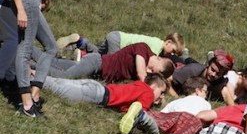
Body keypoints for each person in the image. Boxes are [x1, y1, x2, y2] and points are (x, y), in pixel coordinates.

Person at [39, 42, 174, 82]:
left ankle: (29, 61)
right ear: (158, 58)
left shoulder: (146, 64)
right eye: (152, 69)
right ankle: (31, 68)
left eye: (152, 73)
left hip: (96, 70)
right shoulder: (143, 48)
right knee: (64, 77)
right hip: (96, 63)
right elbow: (140, 73)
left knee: (56, 63)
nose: (148, 71)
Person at [43, 73, 168, 112]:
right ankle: (33, 81)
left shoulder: (139, 85)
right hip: (98, 95)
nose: (161, 96)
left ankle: (36, 75)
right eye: (161, 92)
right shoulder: (148, 93)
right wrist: (158, 104)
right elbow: (139, 113)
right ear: (154, 86)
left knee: (58, 82)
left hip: (98, 86)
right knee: (58, 89)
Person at [62, 31, 185, 59]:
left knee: (100, 53)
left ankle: (81, 42)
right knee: (108, 63)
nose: (172, 55)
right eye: (173, 51)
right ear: (168, 42)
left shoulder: (156, 41)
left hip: (116, 35)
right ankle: (83, 56)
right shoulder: (156, 48)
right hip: (118, 42)